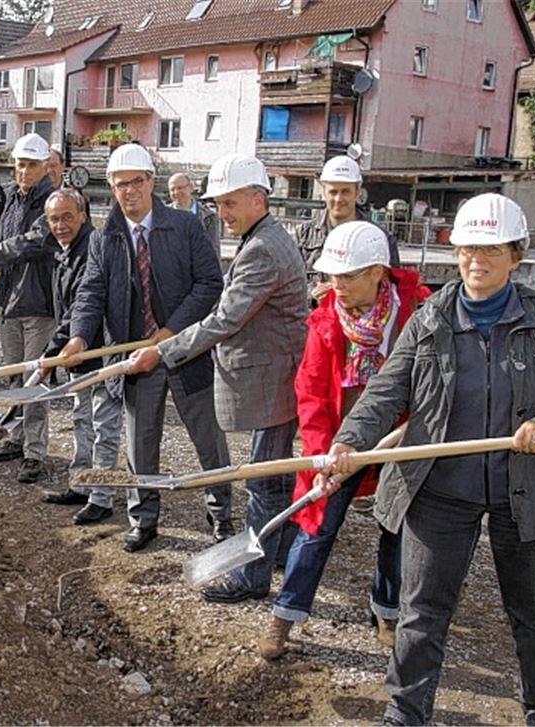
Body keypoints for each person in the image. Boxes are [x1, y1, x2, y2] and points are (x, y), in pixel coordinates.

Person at [325, 193, 535, 726]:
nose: (477, 260)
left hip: (527, 494)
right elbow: (387, 389)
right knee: (421, 614)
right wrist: (349, 441)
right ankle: (405, 714)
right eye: (468, 248)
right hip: (439, 490)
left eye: (491, 250)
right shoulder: (430, 318)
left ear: (516, 257)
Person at [131, 153, 308, 597]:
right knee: (277, 474)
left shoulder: (262, 248)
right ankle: (279, 550)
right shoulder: (265, 237)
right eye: (219, 205)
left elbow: (225, 320)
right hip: (279, 372)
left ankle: (251, 577)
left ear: (257, 197)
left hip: (271, 378)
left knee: (263, 481)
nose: (223, 214)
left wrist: (162, 351)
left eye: (230, 204)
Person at [258, 220, 431, 661]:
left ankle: (387, 613)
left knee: (395, 526)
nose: (337, 285)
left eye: (347, 275)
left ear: (378, 272)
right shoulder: (325, 322)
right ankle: (286, 613)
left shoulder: (418, 310)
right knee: (317, 524)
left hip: (401, 437)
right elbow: (311, 392)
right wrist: (322, 455)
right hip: (340, 440)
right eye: (331, 275)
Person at [60, 143, 228, 553]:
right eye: (121, 185)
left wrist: (170, 332)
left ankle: (222, 516)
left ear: (151, 182)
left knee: (208, 440)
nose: (129, 191)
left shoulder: (185, 227)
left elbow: (209, 284)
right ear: (112, 189)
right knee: (140, 443)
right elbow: (91, 291)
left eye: (137, 182)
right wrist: (79, 336)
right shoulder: (106, 238)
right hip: (137, 360)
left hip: (187, 353)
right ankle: (143, 518)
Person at [34, 189, 124, 525]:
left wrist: (52, 348)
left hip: (100, 351)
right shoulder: (63, 251)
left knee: (104, 425)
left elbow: (79, 309)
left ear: (83, 215)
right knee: (81, 420)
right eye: (54, 219)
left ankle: (101, 496)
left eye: (67, 217)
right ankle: (81, 483)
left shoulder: (91, 249)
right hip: (77, 355)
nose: (60, 225)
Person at [0, 133, 57, 483]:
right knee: (14, 374)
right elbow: (3, 239)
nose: (23, 171)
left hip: (41, 303)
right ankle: (16, 436)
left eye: (30, 165)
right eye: (19, 164)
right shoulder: (13, 199)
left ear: (45, 166)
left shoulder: (52, 202)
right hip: (11, 301)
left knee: (35, 380)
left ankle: (35, 452)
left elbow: (33, 242)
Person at [295, 156, 400, 302]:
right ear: (324, 191)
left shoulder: (380, 238)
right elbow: (289, 283)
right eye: (333, 192)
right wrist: (312, 293)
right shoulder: (304, 235)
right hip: (314, 320)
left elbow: (394, 290)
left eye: (345, 191)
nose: (339, 199)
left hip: (362, 322)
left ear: (357, 193)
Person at [168, 172, 222, 262]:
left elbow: (214, 251)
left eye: (180, 188)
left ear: (191, 187)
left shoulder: (209, 217)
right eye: (172, 189)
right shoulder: (161, 216)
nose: (176, 192)